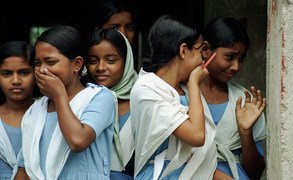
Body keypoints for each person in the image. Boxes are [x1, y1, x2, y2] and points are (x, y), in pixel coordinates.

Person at [15, 25, 115, 179]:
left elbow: (78, 141)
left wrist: (59, 94)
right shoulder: (36, 109)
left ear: (76, 64)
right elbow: (25, 168)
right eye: (37, 63)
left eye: (50, 62)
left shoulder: (100, 97)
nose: (42, 70)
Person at [130, 14, 219, 180]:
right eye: (201, 51)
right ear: (183, 50)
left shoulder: (185, 89)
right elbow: (197, 136)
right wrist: (194, 83)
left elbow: (200, 154)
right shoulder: (146, 89)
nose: (203, 59)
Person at [199, 16, 267, 180]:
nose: (236, 66)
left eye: (241, 59)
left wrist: (245, 132)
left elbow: (255, 173)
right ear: (206, 49)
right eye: (230, 57)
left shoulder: (245, 101)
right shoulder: (181, 94)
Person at [86, 28, 137, 179]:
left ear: (126, 61)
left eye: (111, 60)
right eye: (93, 61)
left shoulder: (144, 98)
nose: (101, 67)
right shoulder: (82, 99)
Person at [0, 41, 37, 179]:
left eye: (24, 72)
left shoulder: (49, 115)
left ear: (36, 73)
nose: (16, 80)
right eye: (7, 73)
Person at [90, 0, 140, 71]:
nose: (123, 35)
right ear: (97, 31)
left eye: (129, 28)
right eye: (114, 28)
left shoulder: (142, 81)